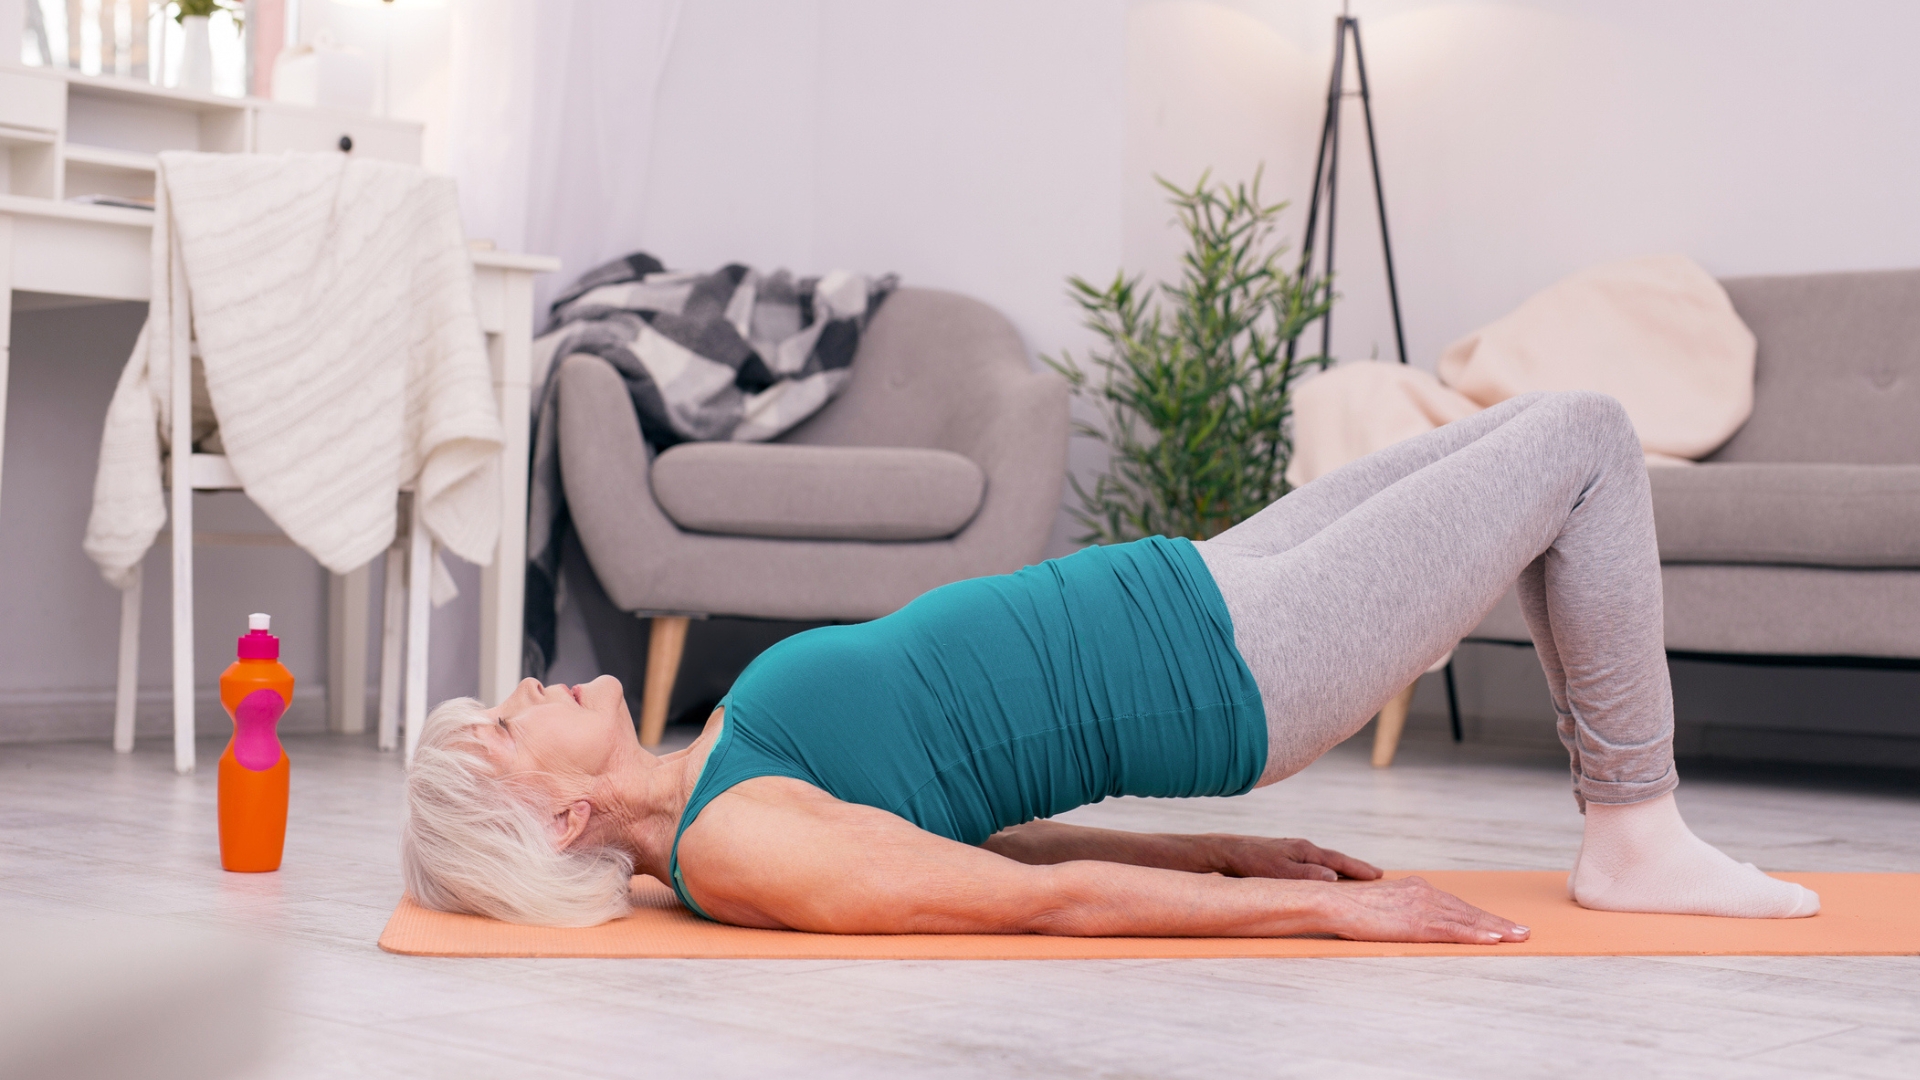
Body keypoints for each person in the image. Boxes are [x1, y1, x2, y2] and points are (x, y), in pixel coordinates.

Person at [403, 391, 1820, 938]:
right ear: (562, 818)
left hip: (1201, 587)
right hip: (1240, 666)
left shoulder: (719, 769)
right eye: (509, 729)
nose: (528, 692)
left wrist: (1225, 859)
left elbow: (975, 819)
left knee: (1506, 440)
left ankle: (1635, 822)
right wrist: (1325, 926)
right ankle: (1635, 826)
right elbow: (1043, 904)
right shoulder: (742, 844)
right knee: (1584, 439)